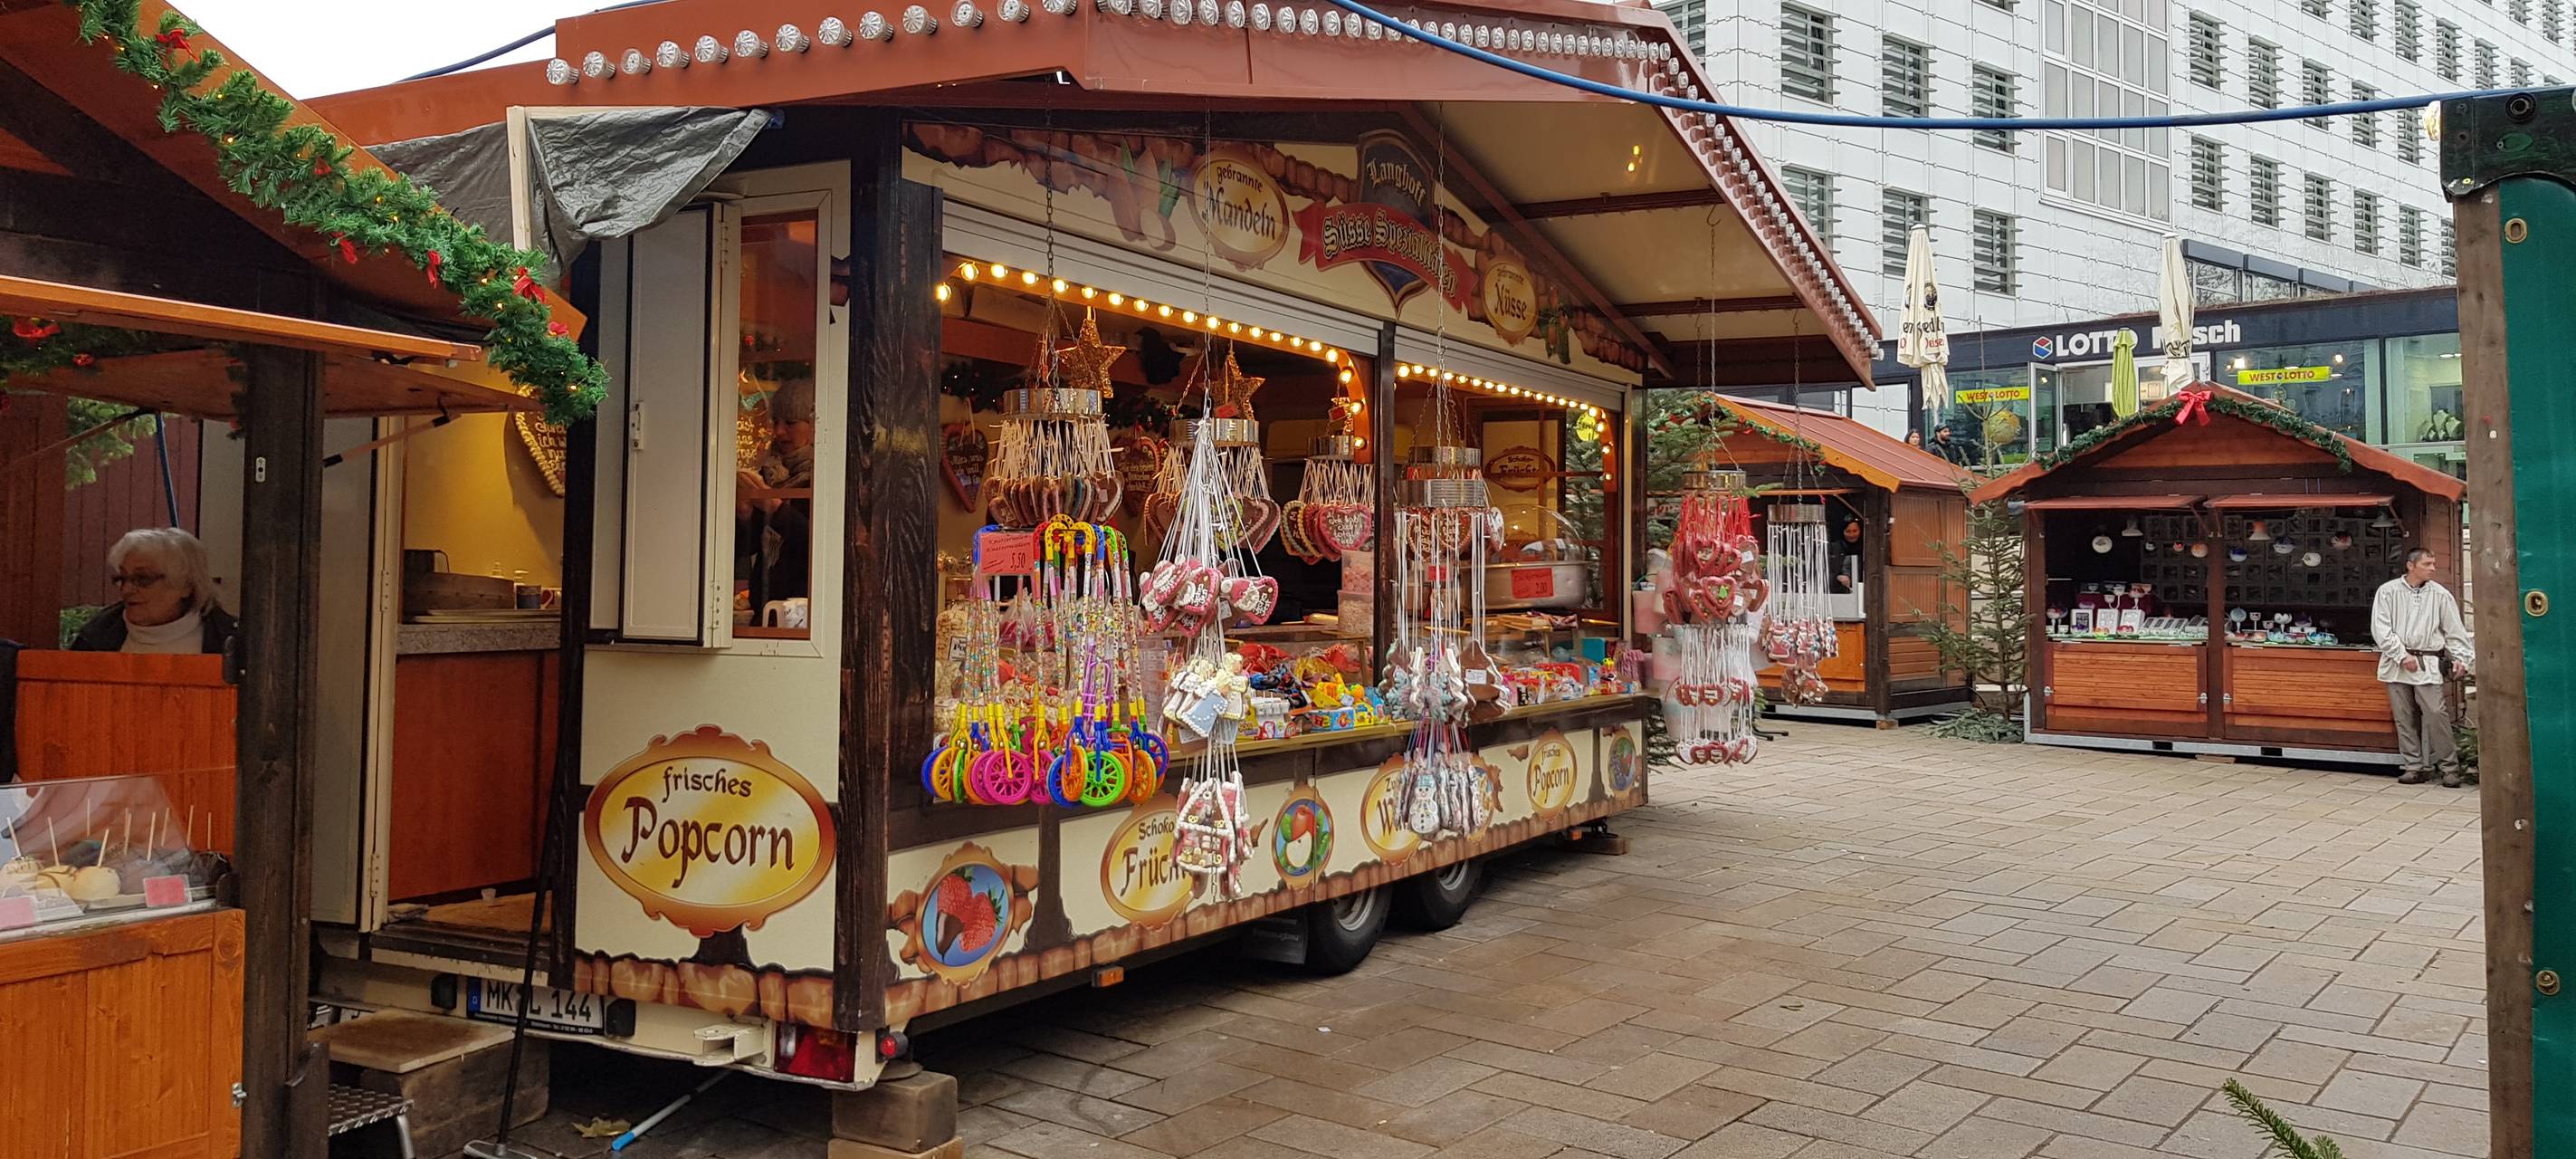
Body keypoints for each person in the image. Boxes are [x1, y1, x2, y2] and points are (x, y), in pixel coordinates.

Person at [2370, 547, 2474, 787]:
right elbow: (2381, 628)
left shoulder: (2440, 594)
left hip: (2428, 662)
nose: (2432, 568)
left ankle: (2449, 768)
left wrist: (2462, 659)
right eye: (2427, 564)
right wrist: (2401, 654)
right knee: (2404, 717)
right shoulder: (2388, 592)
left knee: (2436, 714)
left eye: (2433, 563)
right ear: (2411, 565)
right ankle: (2413, 765)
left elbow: (2454, 631)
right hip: (2397, 663)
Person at [71, 528, 236, 655]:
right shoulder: (94, 638)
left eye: (143, 579)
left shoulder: (233, 642)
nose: (127, 590)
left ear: (186, 586)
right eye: (122, 578)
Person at [738, 378, 816, 609]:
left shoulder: (830, 479)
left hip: (806, 612)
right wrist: (744, 515)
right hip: (765, 609)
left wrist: (774, 507)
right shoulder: (768, 473)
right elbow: (746, 549)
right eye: (776, 421)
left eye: (790, 422)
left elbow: (819, 543)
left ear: (815, 426)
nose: (779, 432)